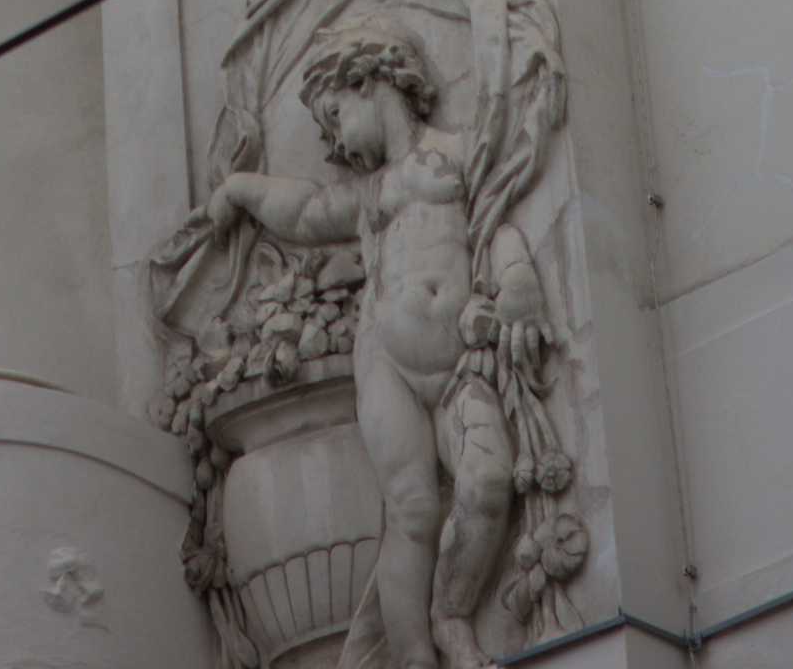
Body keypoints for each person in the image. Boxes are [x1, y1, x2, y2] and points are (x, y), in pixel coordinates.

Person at [209, 34, 552, 669]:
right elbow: (308, 210)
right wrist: (241, 189)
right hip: (388, 367)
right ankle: (416, 656)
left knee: (486, 482)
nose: (335, 145)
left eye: (335, 117)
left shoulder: (458, 156)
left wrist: (519, 279)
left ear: (369, 80)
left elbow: (498, 218)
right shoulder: (369, 197)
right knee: (413, 510)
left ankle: (450, 612)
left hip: (460, 366)